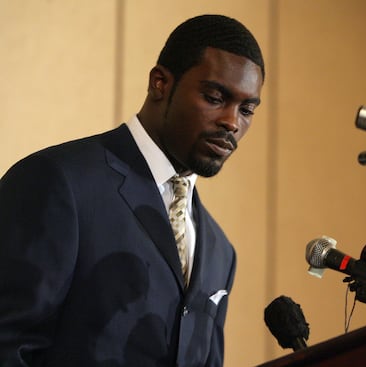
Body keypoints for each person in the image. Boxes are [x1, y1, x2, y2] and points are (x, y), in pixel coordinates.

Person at [0, 14, 264, 367]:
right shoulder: (59, 182)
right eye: (215, 97)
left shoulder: (220, 251)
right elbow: (7, 344)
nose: (232, 122)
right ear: (160, 84)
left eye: (246, 109)